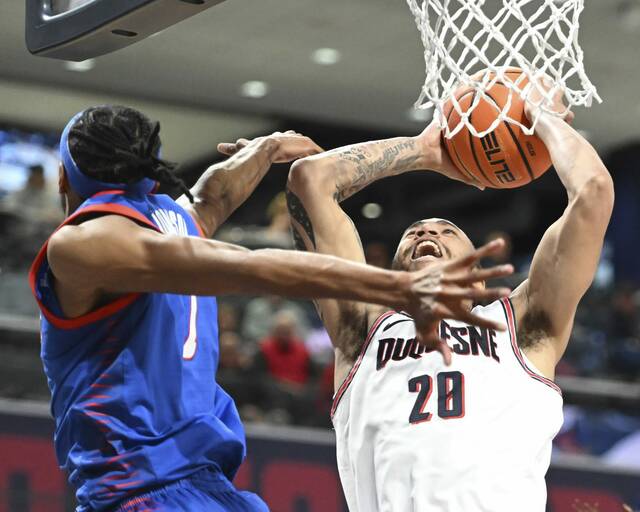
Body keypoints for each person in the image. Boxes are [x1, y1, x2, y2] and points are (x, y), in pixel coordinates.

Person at [31, 105, 511, 512]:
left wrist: (263, 151)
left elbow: (210, 196)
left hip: (175, 488)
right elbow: (247, 265)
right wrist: (398, 287)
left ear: (61, 179)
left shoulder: (150, 224)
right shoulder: (90, 244)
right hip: (146, 487)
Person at [280, 85, 612, 510]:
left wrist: (541, 120)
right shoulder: (362, 327)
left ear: (477, 279)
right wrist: (425, 151)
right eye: (414, 232)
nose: (427, 232)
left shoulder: (523, 328)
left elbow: (594, 194)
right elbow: (308, 180)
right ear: (394, 274)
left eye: (447, 232)